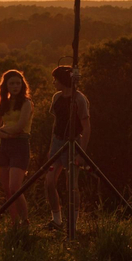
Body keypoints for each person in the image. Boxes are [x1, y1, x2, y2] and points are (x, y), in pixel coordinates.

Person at [42, 64, 91, 230]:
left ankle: (73, 224)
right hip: (57, 143)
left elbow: (86, 127)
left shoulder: (79, 99)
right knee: (49, 182)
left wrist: (81, 153)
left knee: (72, 185)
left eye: (56, 79)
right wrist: (51, 148)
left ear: (63, 80)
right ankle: (56, 220)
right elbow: (56, 123)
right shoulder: (56, 97)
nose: (54, 82)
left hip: (74, 143)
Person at [0, 69, 34, 228]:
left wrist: (3, 130)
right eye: (11, 83)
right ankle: (14, 223)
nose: (15, 86)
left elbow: (20, 127)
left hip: (21, 145)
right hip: (5, 146)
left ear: (22, 85)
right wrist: (6, 134)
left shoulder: (27, 103)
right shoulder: (3, 104)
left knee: (15, 187)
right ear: (6, 86)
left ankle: (25, 221)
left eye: (18, 83)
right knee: (7, 190)